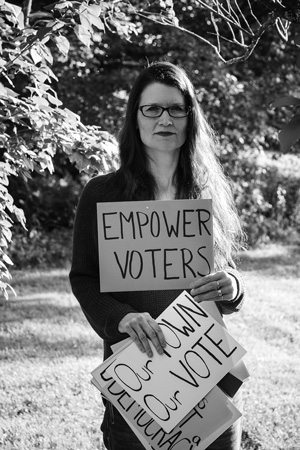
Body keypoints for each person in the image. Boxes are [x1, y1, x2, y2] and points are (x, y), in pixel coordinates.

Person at [69, 61, 246, 450]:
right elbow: (83, 278)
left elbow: (225, 274)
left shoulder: (207, 190)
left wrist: (232, 286)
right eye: (152, 109)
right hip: (141, 382)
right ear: (135, 118)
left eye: (176, 108)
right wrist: (120, 318)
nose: (165, 119)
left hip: (209, 377)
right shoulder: (102, 193)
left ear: (190, 117)